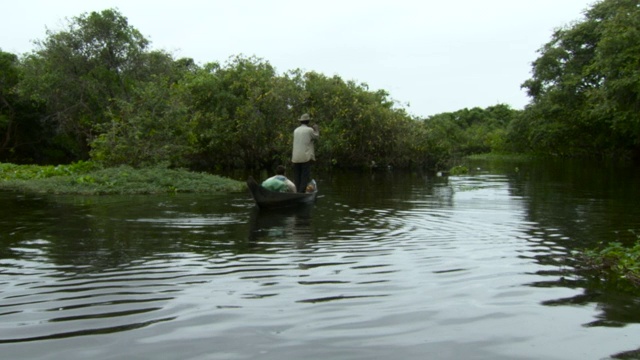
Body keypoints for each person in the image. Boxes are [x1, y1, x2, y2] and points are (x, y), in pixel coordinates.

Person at [291, 113, 319, 193]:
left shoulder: (295, 130)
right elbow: (316, 136)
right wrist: (316, 129)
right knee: (304, 176)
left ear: (301, 121)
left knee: (297, 176)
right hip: (305, 157)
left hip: (295, 157)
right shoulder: (309, 130)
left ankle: (296, 192)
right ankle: (301, 193)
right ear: (308, 121)